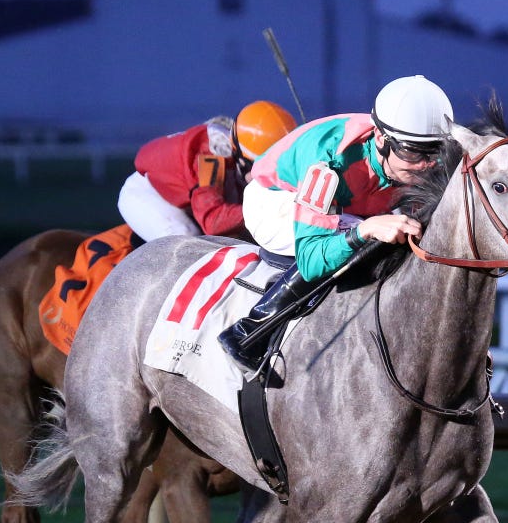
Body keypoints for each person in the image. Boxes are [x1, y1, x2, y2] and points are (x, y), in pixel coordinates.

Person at [218, 74, 454, 371]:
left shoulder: (424, 162)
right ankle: (249, 332)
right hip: (275, 200)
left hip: (348, 207)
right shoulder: (329, 162)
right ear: (381, 139)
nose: (425, 165)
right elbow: (310, 259)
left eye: (435, 151)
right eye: (411, 151)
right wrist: (364, 230)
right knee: (370, 239)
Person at [117, 100, 297, 242]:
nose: (267, 177)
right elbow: (213, 221)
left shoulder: (241, 148)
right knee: (187, 243)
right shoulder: (211, 159)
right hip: (150, 197)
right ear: (240, 156)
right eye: (260, 168)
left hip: (192, 201)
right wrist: (270, 209)